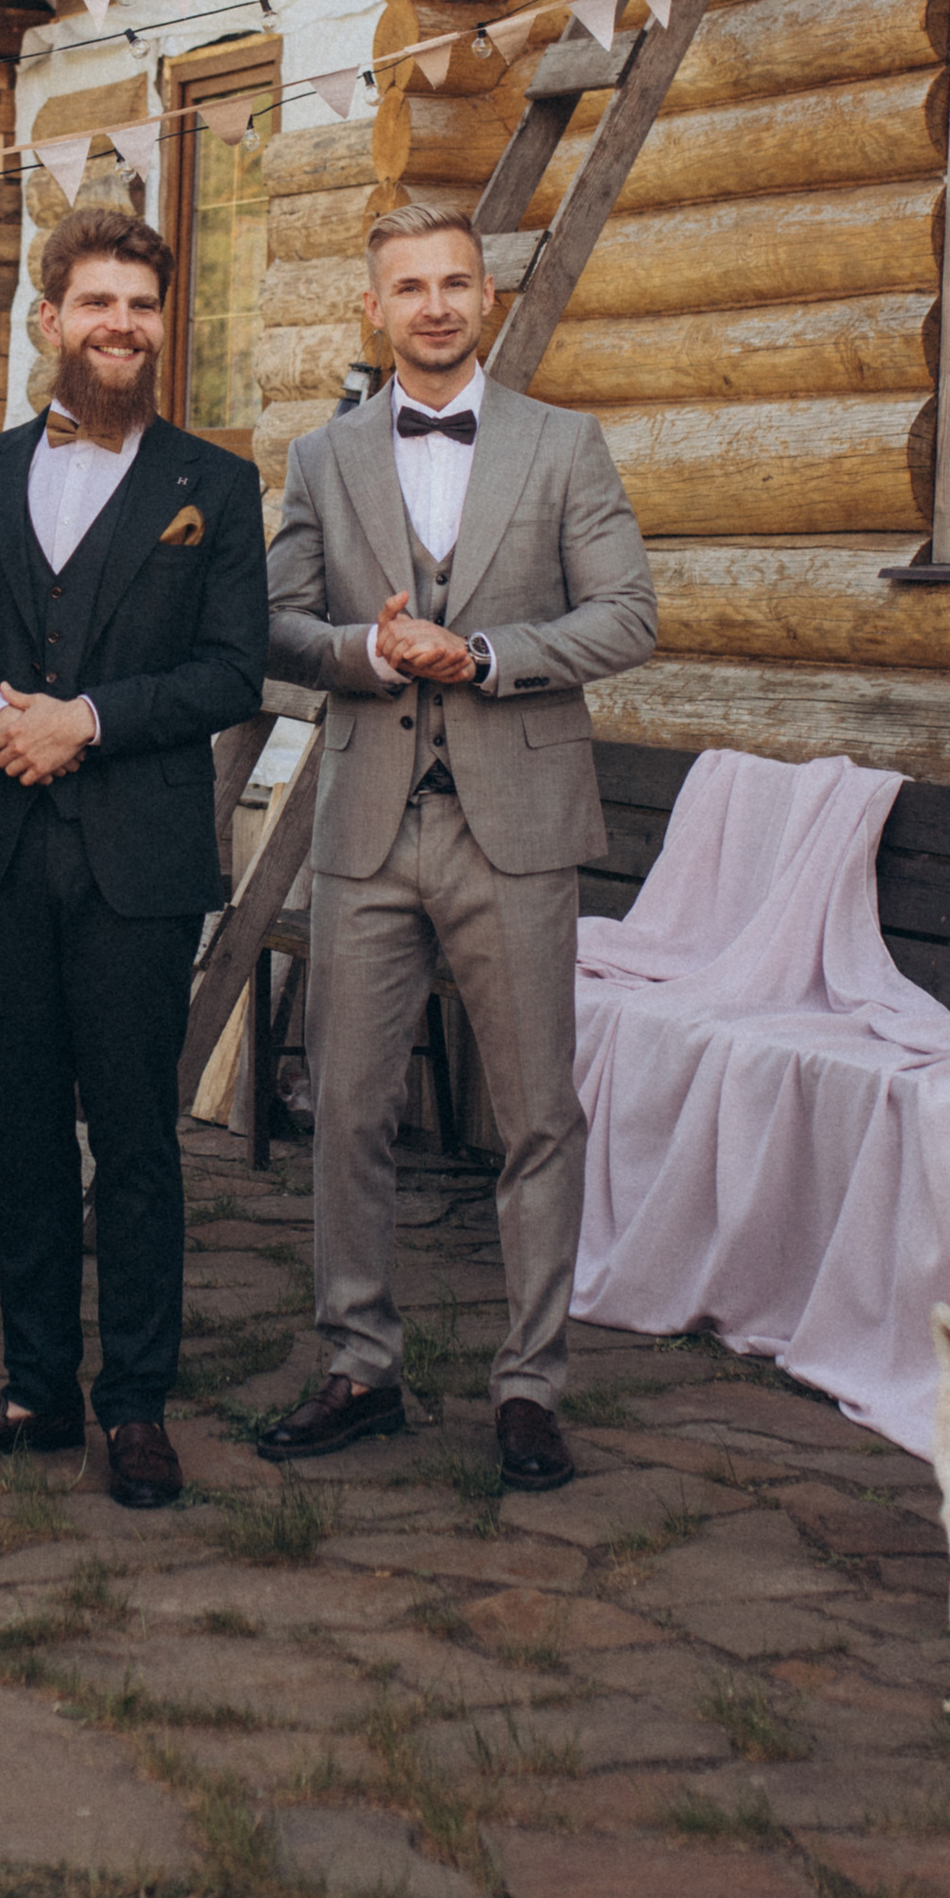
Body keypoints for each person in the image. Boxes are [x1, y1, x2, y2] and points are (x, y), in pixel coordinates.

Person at [259, 202, 656, 1489]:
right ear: (373, 309)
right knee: (346, 1110)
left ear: (484, 298)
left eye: (453, 284)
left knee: (536, 1115)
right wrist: (367, 652)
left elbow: (626, 616)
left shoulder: (562, 444)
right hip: (367, 823)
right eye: (408, 287)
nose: (432, 305)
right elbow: (272, 623)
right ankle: (358, 1364)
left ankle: (530, 1385)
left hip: (517, 825)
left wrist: (481, 654)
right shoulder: (322, 458)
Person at [0, 205, 268, 1508]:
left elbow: (229, 672)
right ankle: (34, 1390)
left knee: (139, 1138)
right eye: (97, 302)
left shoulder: (213, 487)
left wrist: (87, 721)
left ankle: (137, 1405)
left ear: (162, 326)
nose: (121, 325)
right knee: (21, 1135)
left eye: (142, 306)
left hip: (138, 862)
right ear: (48, 319)